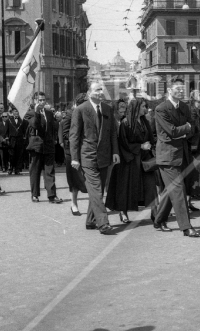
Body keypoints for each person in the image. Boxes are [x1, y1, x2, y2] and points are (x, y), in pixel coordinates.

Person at [69, 82, 120, 235]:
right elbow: (74, 136)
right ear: (89, 92)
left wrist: (115, 152)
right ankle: (103, 223)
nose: (100, 92)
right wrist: (75, 158)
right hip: (88, 157)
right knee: (97, 190)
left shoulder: (107, 109)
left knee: (97, 191)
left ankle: (91, 220)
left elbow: (112, 133)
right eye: (97, 90)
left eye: (101, 90)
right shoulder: (81, 110)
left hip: (104, 156)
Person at [153, 78, 200, 237]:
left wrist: (186, 129)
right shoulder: (161, 109)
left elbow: (192, 127)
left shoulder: (185, 107)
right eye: (177, 88)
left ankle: (159, 220)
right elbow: (171, 131)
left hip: (183, 154)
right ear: (169, 90)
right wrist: (185, 128)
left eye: (183, 88)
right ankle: (186, 227)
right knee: (178, 190)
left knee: (171, 190)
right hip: (168, 157)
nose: (181, 91)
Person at [106, 98, 159, 224]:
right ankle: (123, 212)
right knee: (126, 188)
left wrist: (151, 146)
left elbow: (151, 138)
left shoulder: (145, 121)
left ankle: (155, 212)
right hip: (129, 161)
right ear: (136, 108)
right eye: (143, 107)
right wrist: (140, 146)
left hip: (145, 159)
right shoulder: (125, 123)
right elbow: (123, 143)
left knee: (150, 185)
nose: (146, 109)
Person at [27, 92, 63, 203]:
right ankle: (35, 194)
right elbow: (35, 125)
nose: (42, 102)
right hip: (37, 146)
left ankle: (52, 195)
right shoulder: (29, 113)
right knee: (35, 171)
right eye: (39, 100)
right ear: (34, 101)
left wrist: (59, 119)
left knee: (49, 171)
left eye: (43, 100)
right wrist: (37, 112)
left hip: (48, 146)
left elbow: (53, 127)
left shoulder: (48, 113)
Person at [59, 94, 88, 216]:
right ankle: (74, 204)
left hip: (84, 151)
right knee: (74, 180)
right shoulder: (69, 115)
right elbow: (65, 135)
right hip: (71, 153)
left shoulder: (85, 114)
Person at [188, 90, 200, 213]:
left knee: (196, 174)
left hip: (198, 147)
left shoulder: (199, 112)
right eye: (198, 102)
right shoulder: (191, 113)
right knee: (199, 173)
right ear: (193, 101)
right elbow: (191, 131)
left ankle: (190, 201)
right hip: (191, 148)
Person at [6, 108, 27, 175]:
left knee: (19, 155)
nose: (16, 113)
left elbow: (24, 131)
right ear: (12, 112)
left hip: (20, 140)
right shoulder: (9, 120)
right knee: (11, 155)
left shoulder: (22, 120)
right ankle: (10, 168)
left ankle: (17, 169)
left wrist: (24, 139)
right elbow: (7, 131)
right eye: (15, 111)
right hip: (12, 140)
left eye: (17, 111)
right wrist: (7, 139)